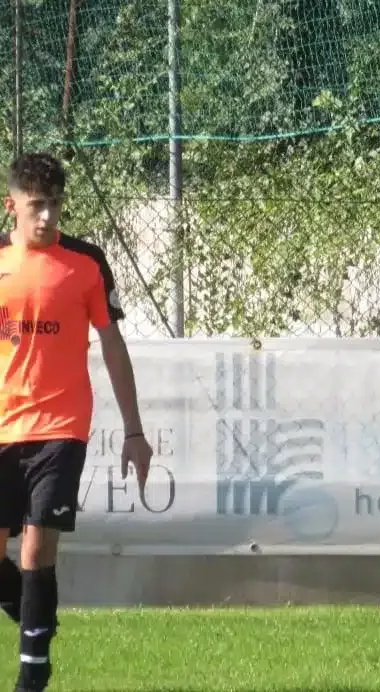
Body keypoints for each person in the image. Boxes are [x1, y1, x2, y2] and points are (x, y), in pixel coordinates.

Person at [0, 152, 153, 691]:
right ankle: (32, 609)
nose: (46, 217)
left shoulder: (87, 263)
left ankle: (31, 677)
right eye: (36, 205)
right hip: (3, 427)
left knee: (38, 544)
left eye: (55, 205)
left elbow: (112, 345)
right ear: (11, 206)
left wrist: (134, 431)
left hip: (62, 426)